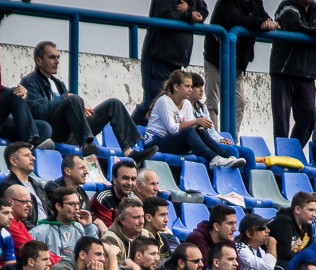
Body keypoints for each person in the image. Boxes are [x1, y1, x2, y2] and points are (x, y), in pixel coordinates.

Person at [21, 41, 155, 163]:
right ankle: (86, 145)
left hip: (73, 131)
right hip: (52, 132)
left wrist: (79, 110)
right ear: (38, 60)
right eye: (52, 57)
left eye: (58, 57)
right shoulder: (30, 82)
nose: (56, 61)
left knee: (113, 104)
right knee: (73, 99)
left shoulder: (58, 83)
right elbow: (37, 112)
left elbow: (69, 104)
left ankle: (130, 153)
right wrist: (66, 99)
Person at [269, 0, 316, 146]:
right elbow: (296, 27)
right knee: (282, 121)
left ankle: (292, 153)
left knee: (309, 117)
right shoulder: (287, 6)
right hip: (284, 71)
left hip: (307, 74)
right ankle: (282, 158)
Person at [143, 70, 244, 169]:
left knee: (199, 130)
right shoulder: (164, 101)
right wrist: (196, 121)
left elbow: (191, 127)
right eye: (187, 86)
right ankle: (213, 159)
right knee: (190, 130)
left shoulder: (186, 103)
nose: (190, 89)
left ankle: (225, 157)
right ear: (176, 87)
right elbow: (173, 129)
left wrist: (200, 125)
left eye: (191, 86)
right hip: (154, 143)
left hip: (173, 142)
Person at [203, 0, 276, 132]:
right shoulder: (226, 2)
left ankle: (232, 138)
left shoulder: (256, 2)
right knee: (212, 102)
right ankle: (212, 138)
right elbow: (236, 20)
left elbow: (263, 15)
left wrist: (268, 21)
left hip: (238, 62)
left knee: (239, 102)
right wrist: (261, 23)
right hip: (216, 58)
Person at [132, 0, 208, 125]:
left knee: (168, 103)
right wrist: (189, 15)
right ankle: (126, 134)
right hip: (158, 56)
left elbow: (203, 11)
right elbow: (164, 14)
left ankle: (132, 135)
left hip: (176, 59)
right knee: (154, 102)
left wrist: (189, 10)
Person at [30, 187, 98, 260]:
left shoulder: (80, 228)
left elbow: (96, 251)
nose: (77, 208)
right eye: (72, 204)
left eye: (78, 204)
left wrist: (88, 227)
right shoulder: (41, 231)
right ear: (58, 206)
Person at [0, 142, 50, 228]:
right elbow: (12, 218)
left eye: (32, 155)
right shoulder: (6, 187)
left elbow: (49, 210)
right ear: (13, 161)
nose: (33, 158)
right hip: (31, 234)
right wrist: (39, 232)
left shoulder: (37, 185)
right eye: (27, 155)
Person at [271, 192, 316, 269]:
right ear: (297, 209)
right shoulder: (283, 221)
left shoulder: (307, 222)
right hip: (277, 263)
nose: (314, 214)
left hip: (294, 261)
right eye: (311, 210)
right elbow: (285, 254)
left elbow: (309, 250)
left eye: (315, 210)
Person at [44, 154, 94, 223]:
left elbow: (87, 214)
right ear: (68, 171)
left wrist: (98, 221)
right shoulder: (53, 188)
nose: (86, 172)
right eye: (82, 168)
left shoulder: (81, 191)